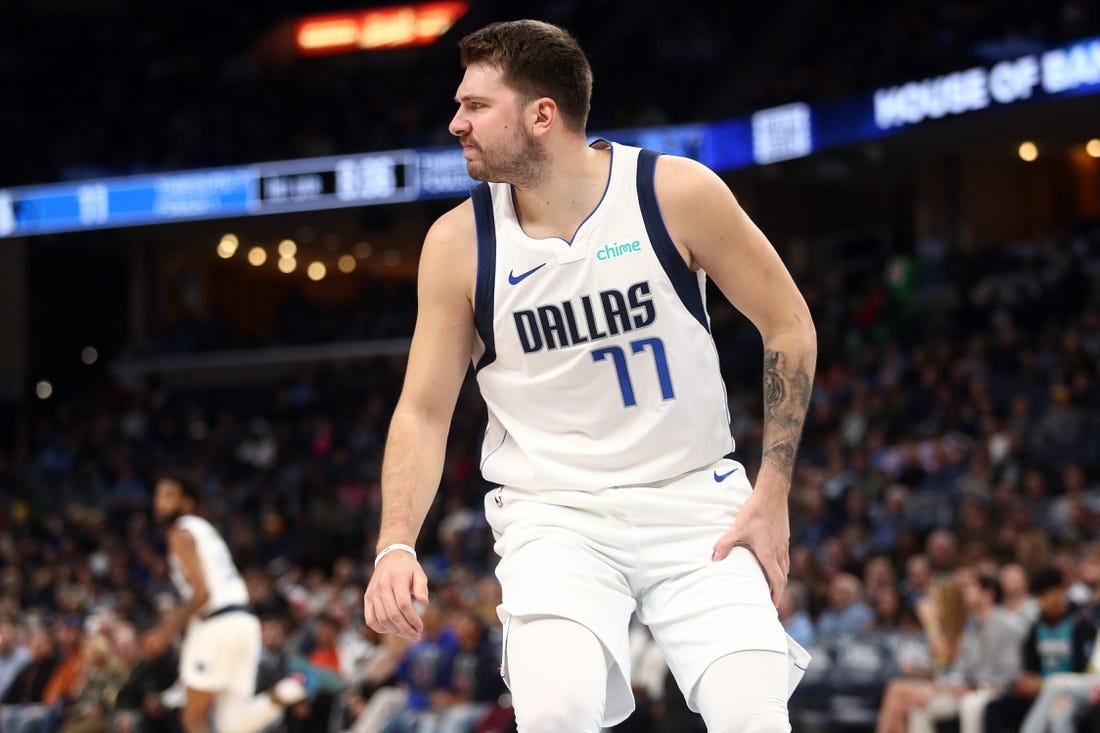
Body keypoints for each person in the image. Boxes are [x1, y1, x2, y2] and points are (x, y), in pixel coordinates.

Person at [362, 18, 817, 733]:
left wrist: (775, 487)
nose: (456, 123)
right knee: (557, 712)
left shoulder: (675, 192)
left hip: (694, 495)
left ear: (543, 115)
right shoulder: (458, 243)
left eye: (476, 106)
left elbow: (789, 324)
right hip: (555, 515)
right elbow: (423, 409)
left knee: (751, 712)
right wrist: (395, 541)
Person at [145, 474, 314, 733]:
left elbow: (203, 594)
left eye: (168, 495)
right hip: (244, 622)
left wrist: (164, 632)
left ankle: (282, 692)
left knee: (194, 718)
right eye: (158, 495)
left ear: (187, 503)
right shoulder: (206, 530)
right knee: (231, 727)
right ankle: (280, 694)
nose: (159, 502)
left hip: (217, 623)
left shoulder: (179, 532)